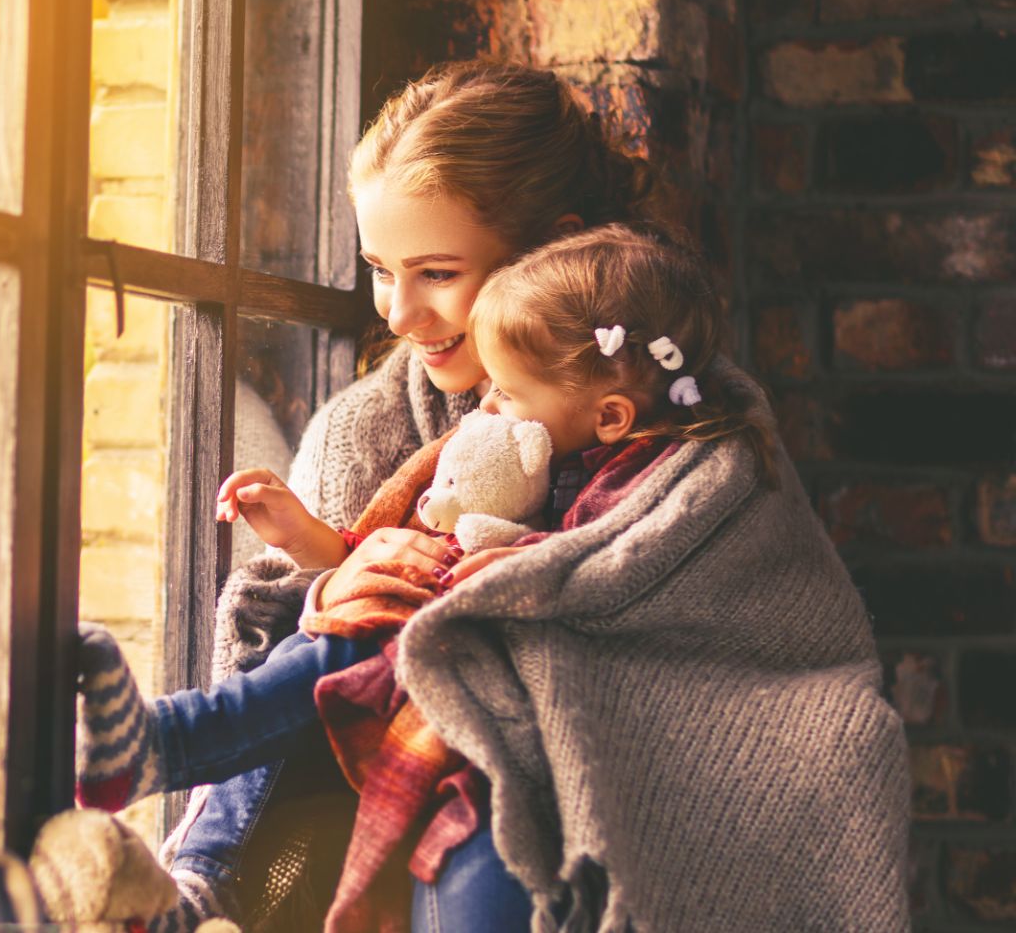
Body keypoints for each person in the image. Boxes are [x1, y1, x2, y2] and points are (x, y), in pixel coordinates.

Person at [87, 61, 909, 932]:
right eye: (377, 268)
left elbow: (758, 650)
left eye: (436, 273)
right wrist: (332, 590)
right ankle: (198, 878)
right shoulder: (364, 429)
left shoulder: (695, 424)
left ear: (544, 251)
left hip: (565, 790)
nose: (399, 312)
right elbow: (272, 648)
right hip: (377, 787)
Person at [74, 224, 780, 929]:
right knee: (346, 639)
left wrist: (499, 581)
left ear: (611, 416)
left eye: (505, 392)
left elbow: (615, 576)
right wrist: (317, 546)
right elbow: (404, 541)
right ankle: (189, 840)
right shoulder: (486, 426)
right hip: (447, 691)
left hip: (540, 705)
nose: (487, 408)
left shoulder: (664, 474)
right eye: (379, 270)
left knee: (366, 656)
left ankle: (164, 749)